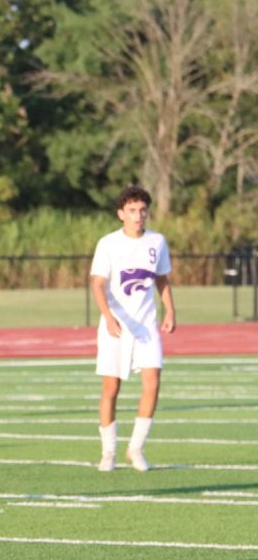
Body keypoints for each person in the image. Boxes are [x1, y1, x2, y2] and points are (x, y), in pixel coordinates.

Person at [90, 185, 176, 472]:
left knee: (153, 383)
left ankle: (136, 448)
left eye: (142, 210)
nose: (138, 216)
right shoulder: (108, 244)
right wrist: (108, 316)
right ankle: (108, 452)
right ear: (120, 214)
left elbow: (161, 279)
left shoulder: (157, 241)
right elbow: (97, 283)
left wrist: (170, 310)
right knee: (111, 388)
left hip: (146, 325)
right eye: (132, 211)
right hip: (116, 326)